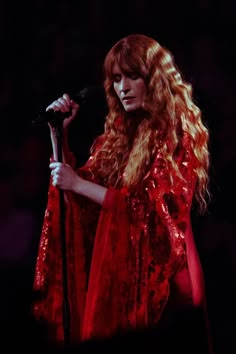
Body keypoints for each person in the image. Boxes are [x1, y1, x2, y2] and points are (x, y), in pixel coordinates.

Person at [32, 34, 212, 353]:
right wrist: (58, 134)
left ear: (153, 79)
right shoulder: (122, 133)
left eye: (132, 76)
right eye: (116, 79)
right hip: (127, 280)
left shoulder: (176, 129)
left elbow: (152, 211)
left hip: (168, 284)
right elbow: (83, 189)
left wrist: (77, 184)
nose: (123, 88)